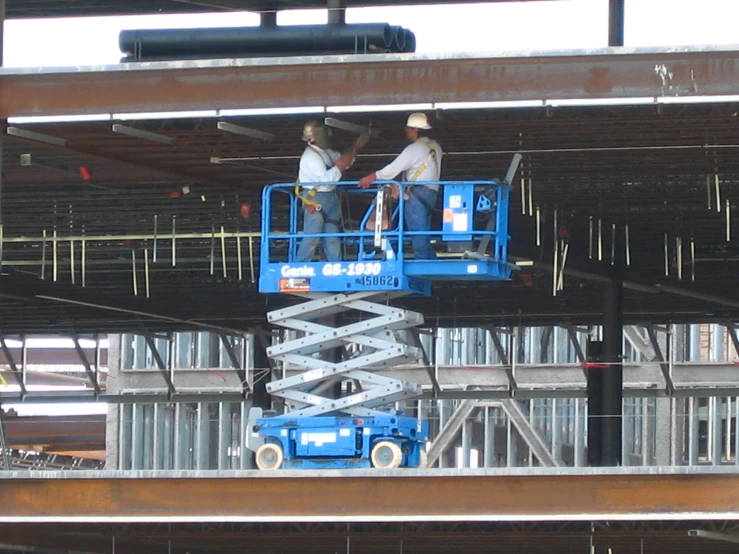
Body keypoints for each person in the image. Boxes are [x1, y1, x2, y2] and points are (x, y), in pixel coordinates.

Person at [358, 113, 442, 260]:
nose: (406, 131)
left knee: (417, 231)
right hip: (431, 194)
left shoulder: (415, 148)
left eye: (408, 129)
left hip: (417, 194)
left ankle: (423, 263)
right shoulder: (436, 147)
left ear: (415, 130)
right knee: (423, 231)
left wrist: (372, 177)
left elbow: (394, 168)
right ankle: (430, 260)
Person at [294, 120, 367, 262]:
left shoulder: (324, 153)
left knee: (332, 236)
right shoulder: (310, 156)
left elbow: (345, 161)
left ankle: (335, 265)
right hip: (316, 199)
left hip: (330, 197)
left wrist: (355, 148)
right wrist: (340, 166)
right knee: (312, 237)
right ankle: (299, 267)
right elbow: (326, 179)